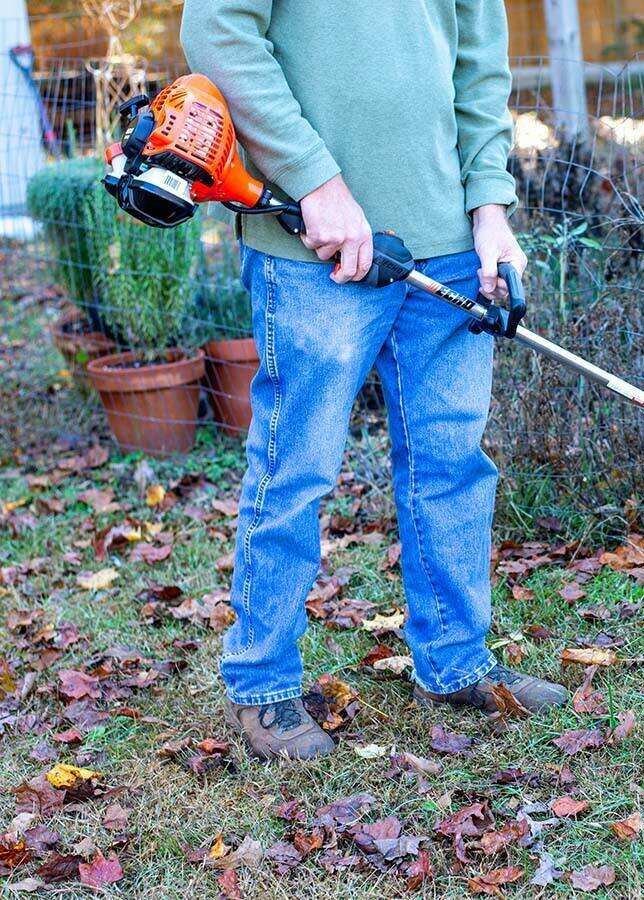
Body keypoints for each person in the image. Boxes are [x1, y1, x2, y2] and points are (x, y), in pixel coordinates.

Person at [181, 0, 568, 761]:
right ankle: (260, 684)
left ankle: (455, 662)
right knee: (295, 469)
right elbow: (218, 32)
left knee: (451, 465)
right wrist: (314, 181)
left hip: (451, 246)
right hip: (312, 246)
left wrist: (490, 210)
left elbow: (479, 69)